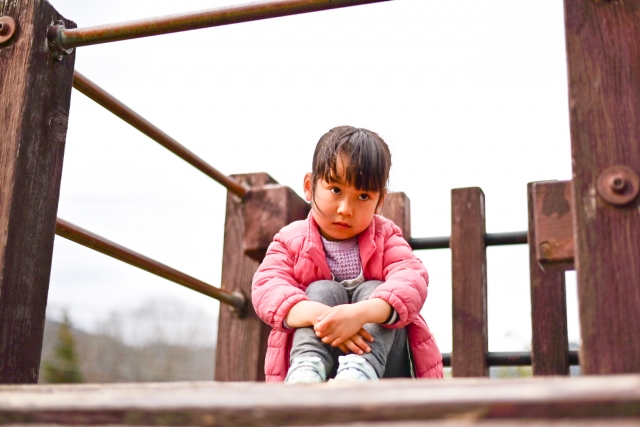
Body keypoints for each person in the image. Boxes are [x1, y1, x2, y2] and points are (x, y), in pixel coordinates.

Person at [252, 125, 443, 383]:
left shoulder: (386, 237)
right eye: (335, 190)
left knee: (376, 289)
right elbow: (267, 287)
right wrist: (322, 316)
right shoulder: (290, 240)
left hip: (383, 370)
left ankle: (359, 371)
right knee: (320, 290)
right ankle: (306, 370)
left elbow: (412, 279)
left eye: (363, 195)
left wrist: (361, 314)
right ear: (310, 186)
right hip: (319, 361)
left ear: (379, 201)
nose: (346, 209)